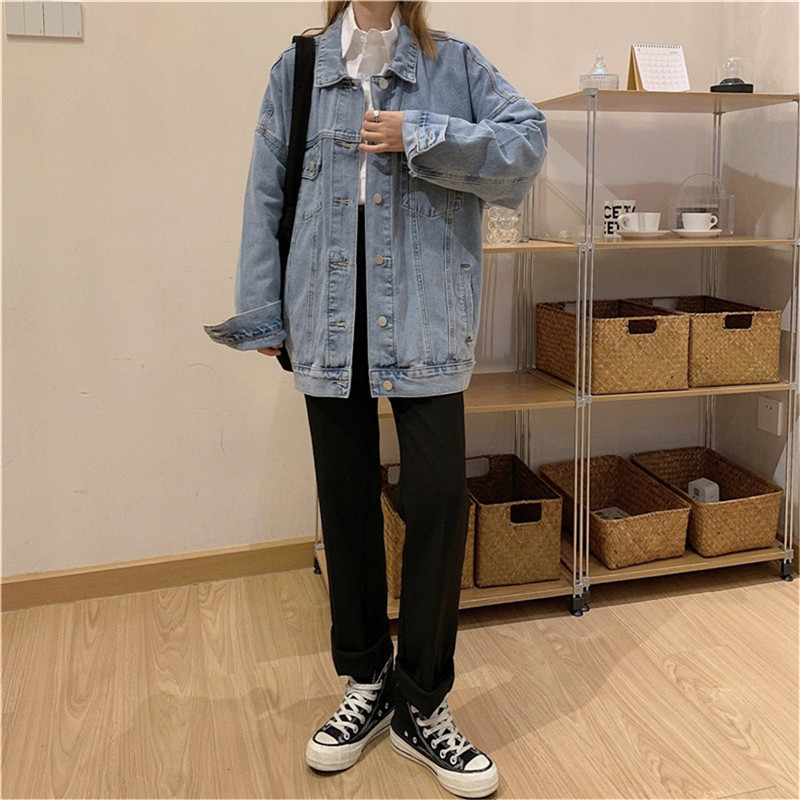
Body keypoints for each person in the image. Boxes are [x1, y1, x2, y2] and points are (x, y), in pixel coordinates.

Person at [205, 2, 546, 796]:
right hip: (325, 313)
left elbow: (526, 146)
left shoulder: (454, 64)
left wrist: (422, 133)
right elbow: (265, 194)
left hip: (424, 313)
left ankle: (422, 701)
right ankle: (367, 679)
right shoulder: (298, 69)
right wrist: (263, 309)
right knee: (347, 500)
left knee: (437, 498)